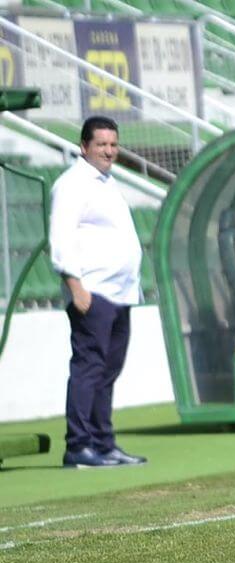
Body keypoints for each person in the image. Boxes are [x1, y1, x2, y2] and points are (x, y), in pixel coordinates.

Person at [48, 116, 147, 468]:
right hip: (93, 291)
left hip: (120, 292)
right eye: (101, 144)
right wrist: (75, 285)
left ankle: (103, 443)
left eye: (113, 144)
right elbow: (60, 237)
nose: (108, 151)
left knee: (108, 370)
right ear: (84, 146)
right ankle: (78, 446)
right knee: (89, 367)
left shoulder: (106, 182)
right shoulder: (72, 183)